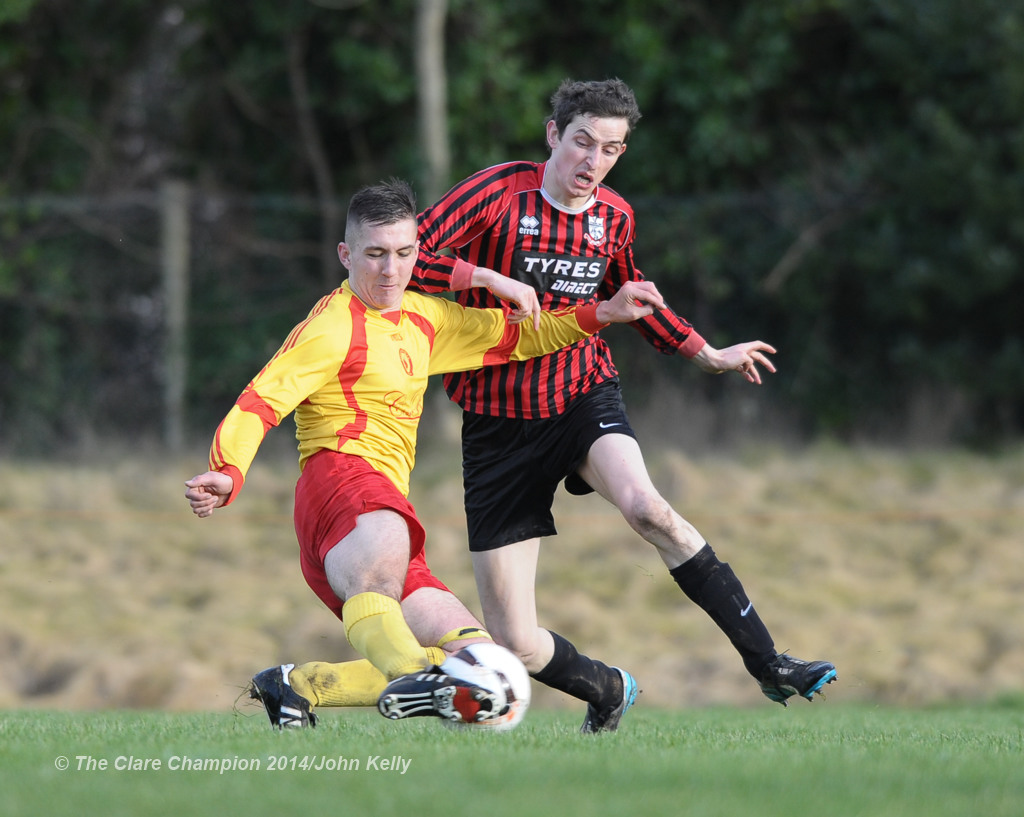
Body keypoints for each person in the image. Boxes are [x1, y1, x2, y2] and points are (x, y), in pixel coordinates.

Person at [405, 78, 837, 731]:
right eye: (581, 142)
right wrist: (484, 278)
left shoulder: (615, 217)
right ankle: (606, 687)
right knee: (515, 642)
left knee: (650, 509)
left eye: (610, 149)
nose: (592, 161)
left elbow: (631, 297)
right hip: (497, 426)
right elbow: (409, 256)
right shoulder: (496, 192)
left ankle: (770, 661)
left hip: (581, 394)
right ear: (554, 135)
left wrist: (707, 352)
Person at [183, 178, 666, 729]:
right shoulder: (330, 328)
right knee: (396, 577)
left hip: (382, 513)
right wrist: (227, 473)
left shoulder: (425, 318)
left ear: (419, 252)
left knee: (485, 664)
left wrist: (601, 313)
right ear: (345, 254)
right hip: (340, 483)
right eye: (375, 254)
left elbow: (516, 336)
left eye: (404, 253)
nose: (391, 270)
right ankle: (416, 675)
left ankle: (301, 685)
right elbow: (260, 401)